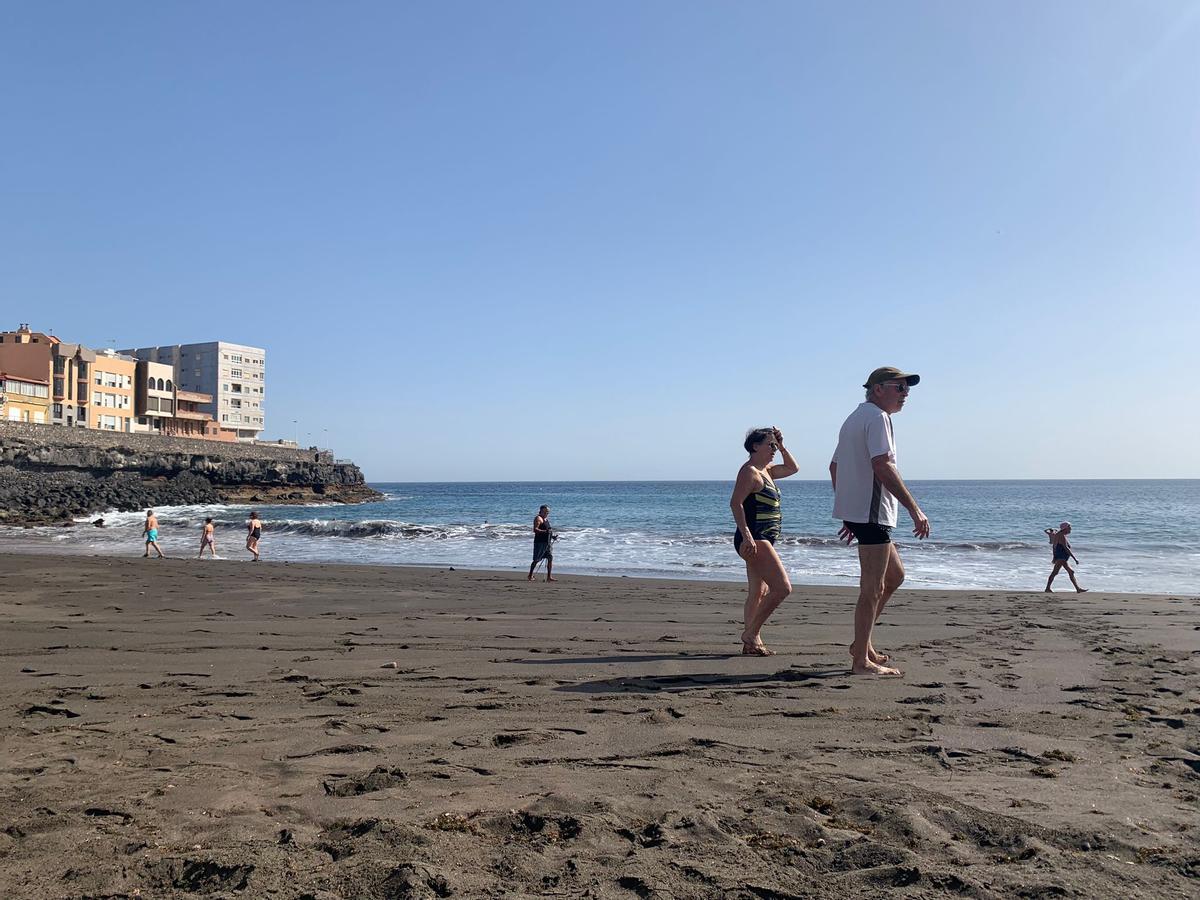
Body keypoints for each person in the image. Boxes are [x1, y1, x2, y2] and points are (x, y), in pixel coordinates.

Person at [830, 367, 930, 676]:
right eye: (899, 388)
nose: (905, 394)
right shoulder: (877, 418)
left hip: (863, 513)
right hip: (872, 514)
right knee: (871, 588)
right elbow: (882, 466)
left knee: (895, 576)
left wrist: (848, 510)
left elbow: (834, 467)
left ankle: (862, 645)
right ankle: (861, 660)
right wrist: (915, 509)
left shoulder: (854, 418)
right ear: (877, 390)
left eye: (906, 389)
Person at [730, 427, 799, 656]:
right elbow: (736, 503)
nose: (774, 449)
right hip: (755, 539)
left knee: (758, 591)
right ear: (755, 446)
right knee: (782, 588)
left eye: (775, 445)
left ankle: (751, 644)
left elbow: (792, 468)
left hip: (762, 539)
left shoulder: (766, 470)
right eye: (770, 445)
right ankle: (751, 634)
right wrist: (747, 535)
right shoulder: (750, 472)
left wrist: (783, 444)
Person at [1044, 522, 1087, 593]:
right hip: (1061, 557)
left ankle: (1078, 589)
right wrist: (1075, 559)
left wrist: (1054, 556)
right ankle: (1047, 588)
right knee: (1056, 572)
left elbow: (1054, 547)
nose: (1071, 529)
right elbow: (1066, 548)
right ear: (1065, 528)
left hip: (1061, 557)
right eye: (1069, 527)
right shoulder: (1061, 535)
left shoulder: (1059, 535)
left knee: (1068, 572)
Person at [527, 505, 556, 582]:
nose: (547, 513)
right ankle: (530, 575)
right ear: (541, 511)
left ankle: (549, 576)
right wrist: (545, 532)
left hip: (547, 542)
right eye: (546, 511)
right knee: (536, 559)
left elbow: (547, 531)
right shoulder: (538, 518)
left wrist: (552, 537)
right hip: (540, 542)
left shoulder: (546, 519)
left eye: (548, 512)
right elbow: (535, 530)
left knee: (550, 558)